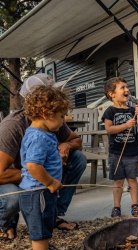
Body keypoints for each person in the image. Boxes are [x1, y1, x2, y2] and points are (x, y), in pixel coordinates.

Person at [0, 74, 86, 240]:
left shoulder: (53, 120)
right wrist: (45, 177)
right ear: (45, 108)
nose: (64, 119)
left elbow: (76, 140)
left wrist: (66, 145)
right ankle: (5, 221)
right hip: (11, 179)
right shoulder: (13, 127)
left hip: (36, 174)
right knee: (13, 198)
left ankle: (53, 214)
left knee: (78, 158)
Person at [19, 85, 68, 250]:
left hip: (38, 192)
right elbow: (33, 166)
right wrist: (51, 182)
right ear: (48, 113)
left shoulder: (38, 133)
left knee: (44, 229)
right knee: (40, 234)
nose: (63, 121)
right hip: (38, 192)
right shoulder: (39, 137)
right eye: (62, 116)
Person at [102, 77, 138, 217]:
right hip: (116, 153)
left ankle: (135, 204)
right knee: (118, 181)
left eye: (127, 87)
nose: (127, 90)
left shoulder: (132, 109)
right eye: (122, 88)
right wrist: (126, 125)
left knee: (132, 179)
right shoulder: (109, 111)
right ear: (111, 94)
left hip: (131, 152)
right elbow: (109, 129)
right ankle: (116, 207)